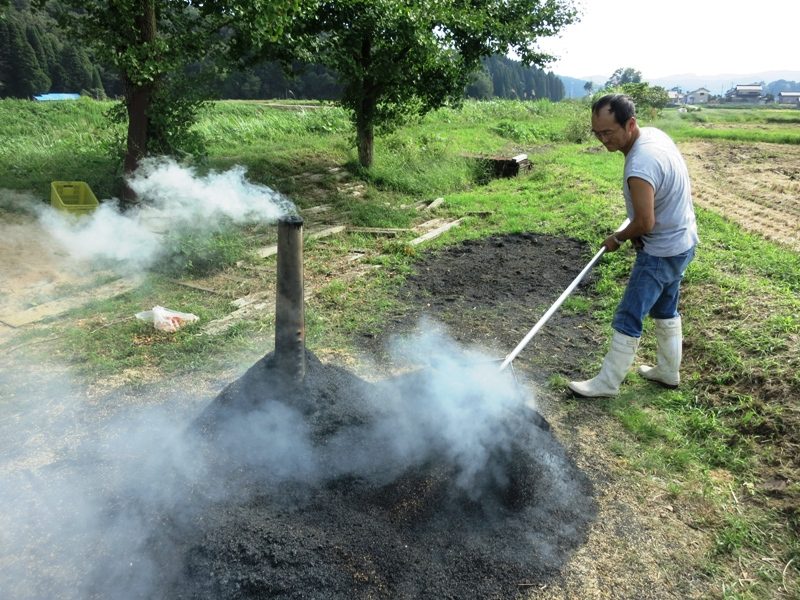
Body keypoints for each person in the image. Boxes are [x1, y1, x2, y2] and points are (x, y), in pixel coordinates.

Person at [568, 94, 699, 398]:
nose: (602, 140)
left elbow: (646, 223)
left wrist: (618, 237)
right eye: (596, 133)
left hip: (661, 250)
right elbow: (653, 210)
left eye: (608, 132)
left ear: (630, 124)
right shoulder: (654, 136)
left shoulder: (640, 163)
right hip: (682, 240)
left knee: (629, 314)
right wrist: (637, 225)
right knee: (666, 307)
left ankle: (607, 383)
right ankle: (668, 371)